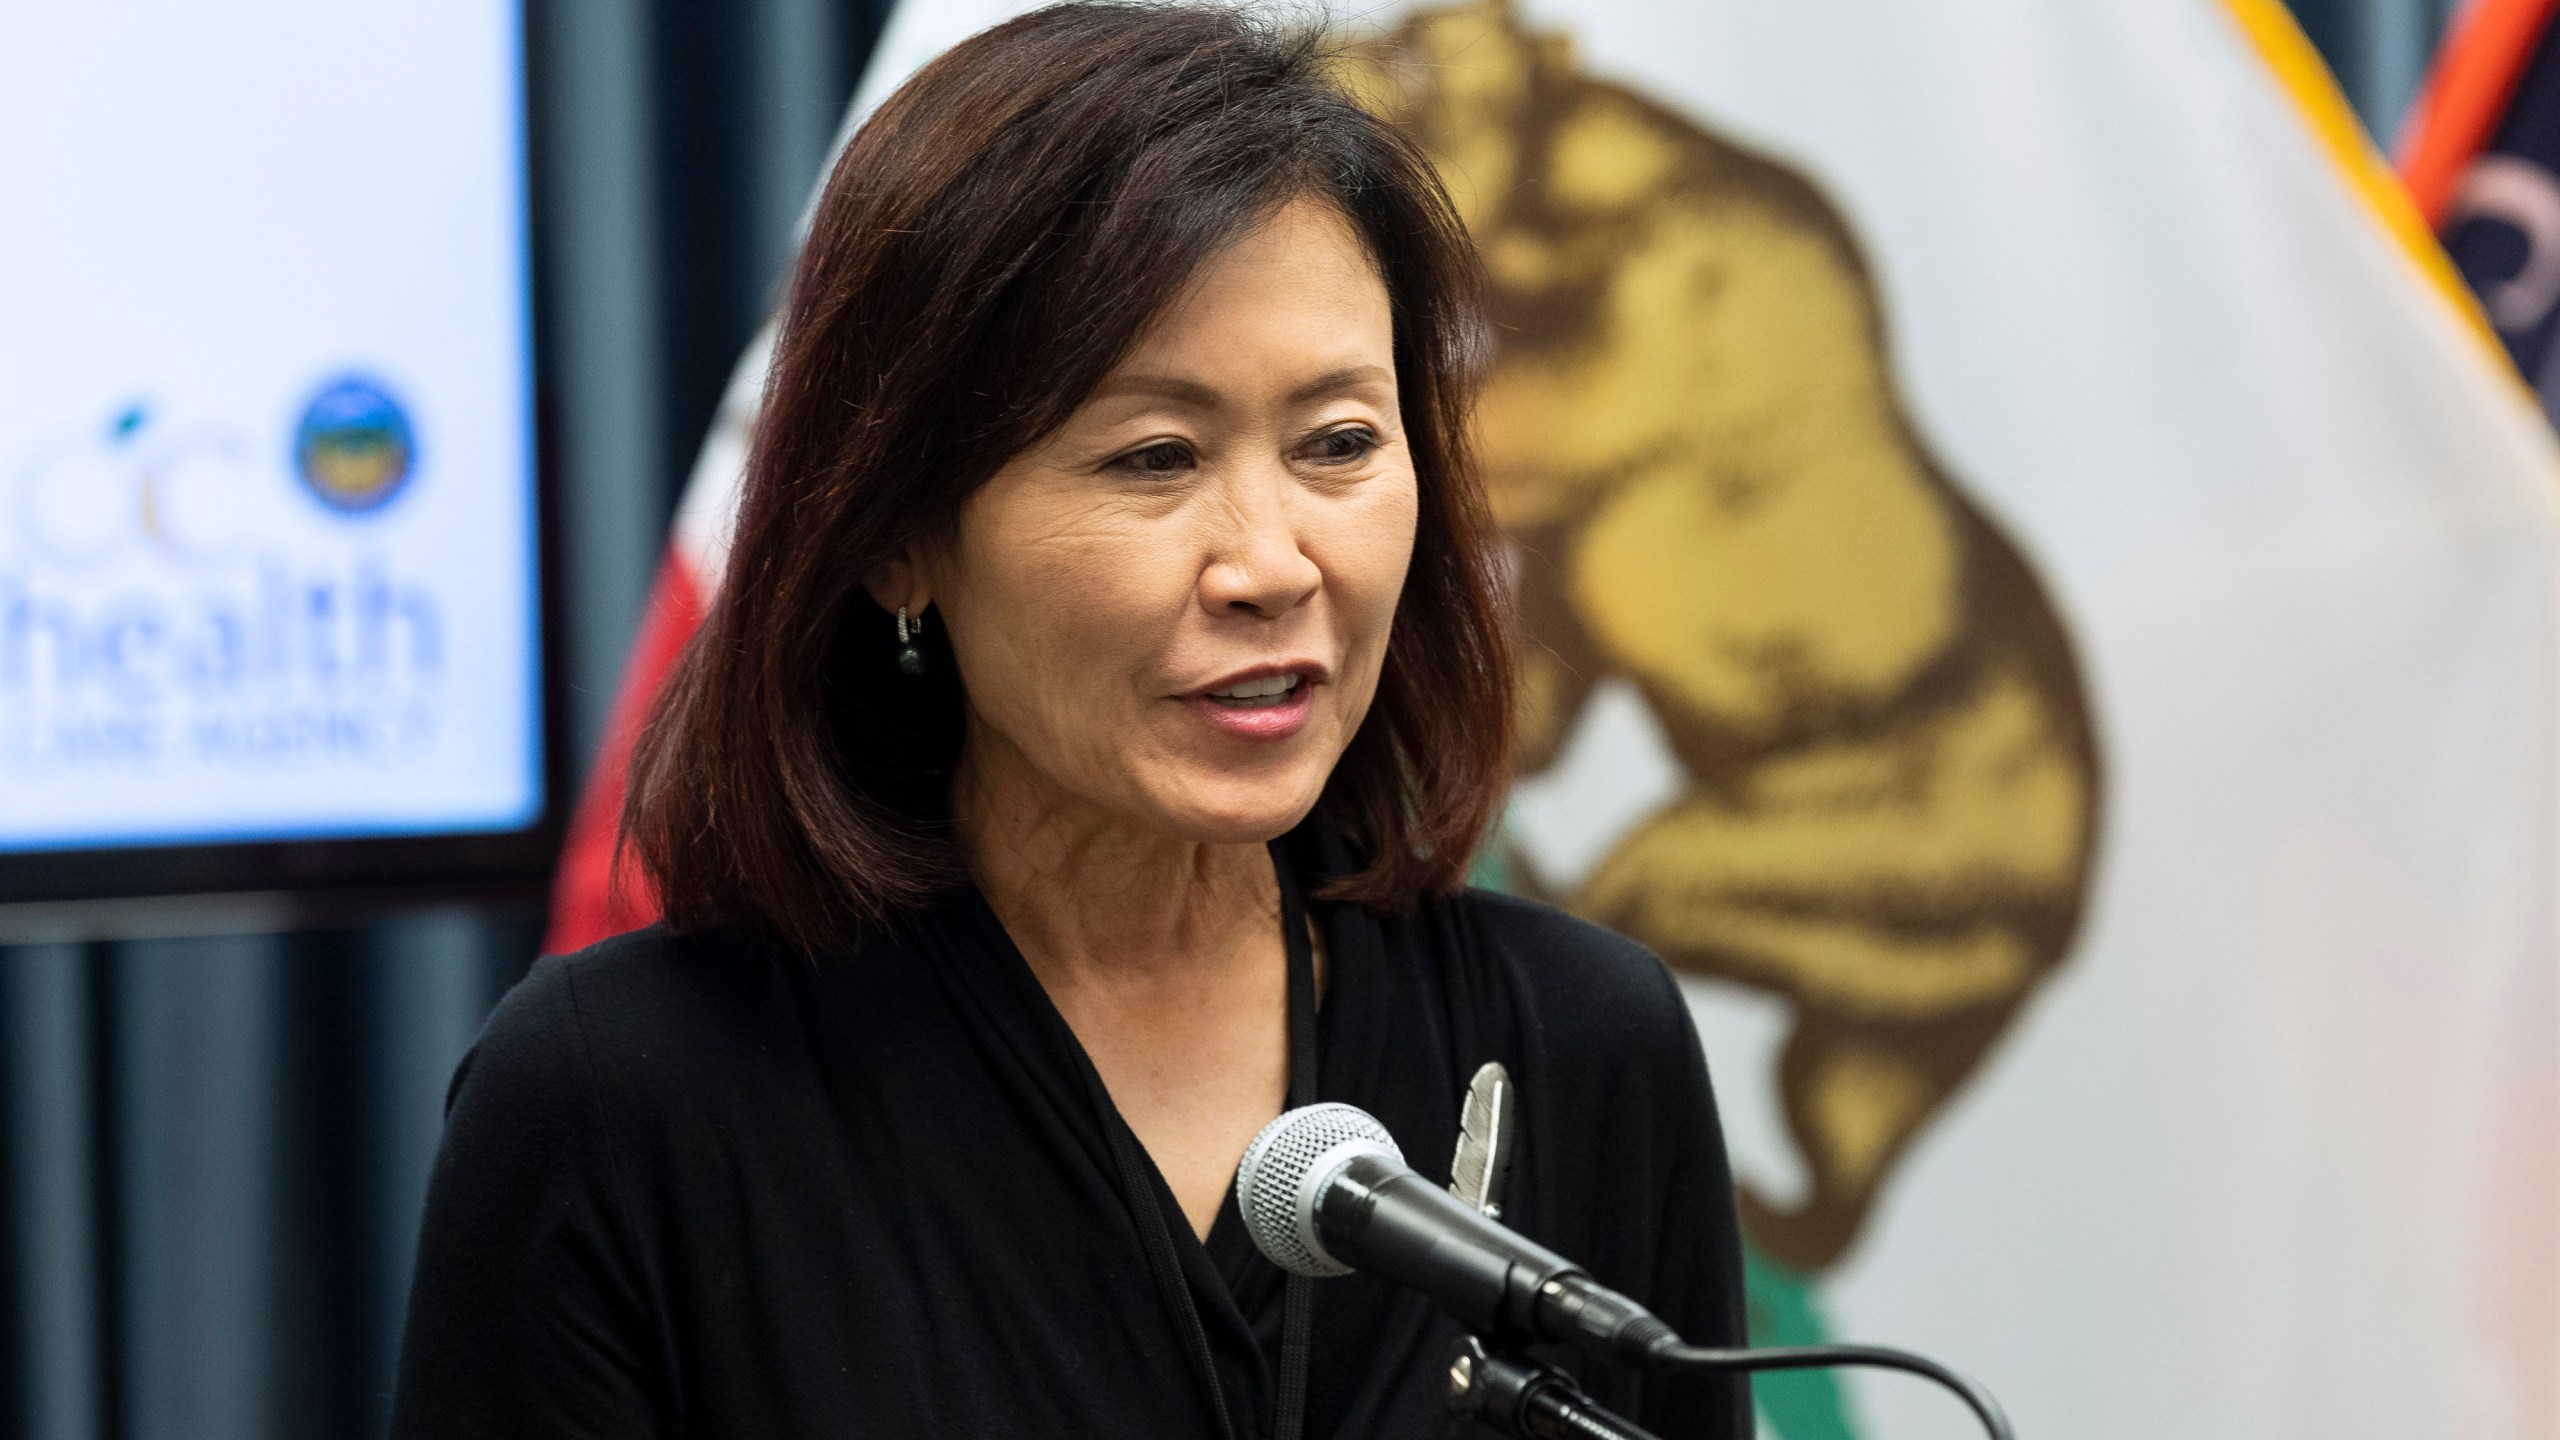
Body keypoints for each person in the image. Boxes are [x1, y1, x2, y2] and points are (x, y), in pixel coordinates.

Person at [388, 5, 1749, 1437]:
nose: (1274, 564)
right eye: (1155, 458)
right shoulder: (622, 1101)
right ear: (897, 535)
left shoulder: (1577, 1045)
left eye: (1339, 443)